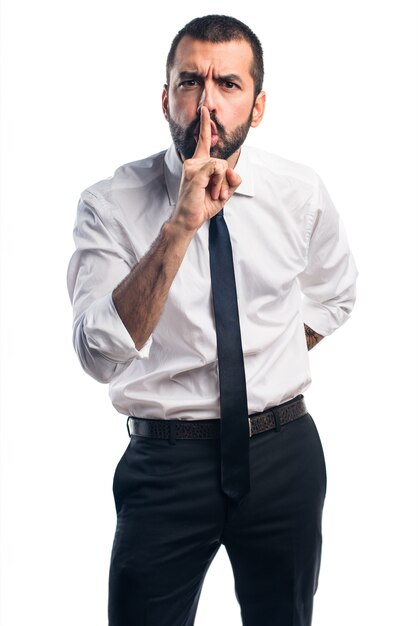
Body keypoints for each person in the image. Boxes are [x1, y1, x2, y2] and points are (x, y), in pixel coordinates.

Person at [67, 14, 358, 626]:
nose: (208, 105)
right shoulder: (110, 204)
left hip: (284, 455)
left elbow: (334, 295)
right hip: (167, 465)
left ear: (256, 107)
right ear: (165, 97)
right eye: (191, 83)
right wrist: (179, 225)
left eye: (228, 85)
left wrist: (267, 362)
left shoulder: (299, 192)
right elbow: (98, 355)